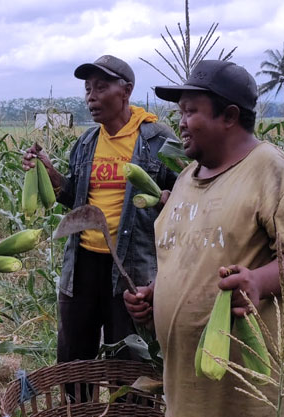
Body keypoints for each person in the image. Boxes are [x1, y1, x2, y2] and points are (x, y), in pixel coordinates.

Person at [124, 60, 284, 417]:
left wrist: (259, 281)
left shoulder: (272, 171)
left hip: (257, 396)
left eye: (190, 111)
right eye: (180, 112)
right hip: (192, 395)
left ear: (229, 116)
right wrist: (154, 293)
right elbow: (186, 255)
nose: (181, 122)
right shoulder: (189, 176)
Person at [22, 55, 178, 376]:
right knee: (74, 358)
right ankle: (75, 414)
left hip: (132, 268)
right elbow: (73, 199)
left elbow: (183, 202)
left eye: (101, 87)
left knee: (129, 358)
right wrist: (49, 171)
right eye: (87, 89)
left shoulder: (159, 141)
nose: (91, 96)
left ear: (126, 91)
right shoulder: (87, 142)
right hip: (83, 266)